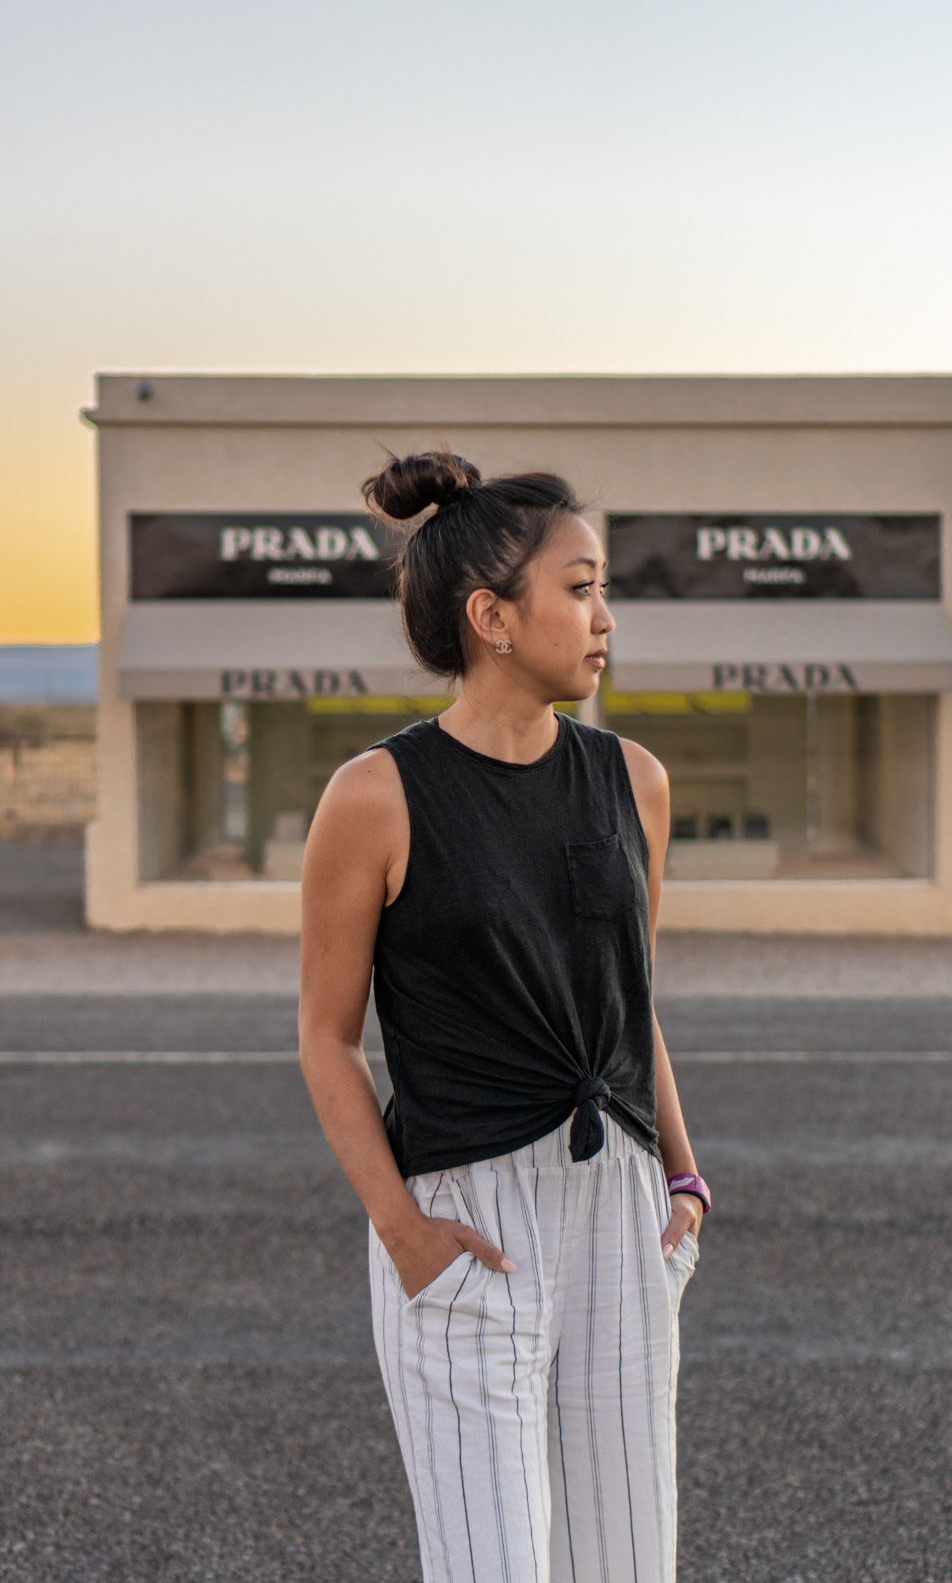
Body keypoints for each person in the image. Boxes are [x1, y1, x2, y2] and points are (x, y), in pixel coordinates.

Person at [299, 451, 710, 1583]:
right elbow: (327, 1037)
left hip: (622, 1213)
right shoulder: (376, 795)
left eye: (603, 589)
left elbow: (634, 1000)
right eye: (579, 589)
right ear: (491, 616)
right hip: (466, 1222)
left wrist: (682, 1178)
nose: (603, 618)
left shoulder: (636, 779)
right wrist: (403, 1231)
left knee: (625, 1565)